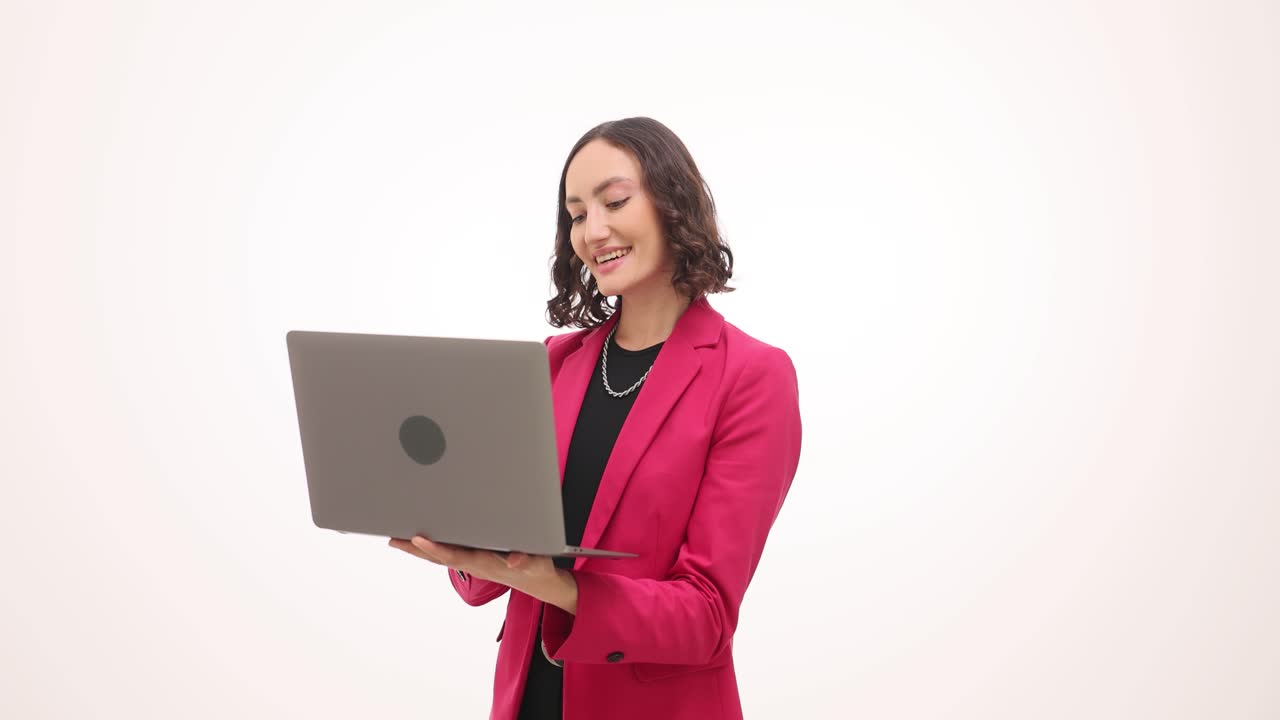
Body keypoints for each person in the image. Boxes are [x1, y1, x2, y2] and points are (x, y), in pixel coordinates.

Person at [389, 117, 802, 720]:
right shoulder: (553, 364)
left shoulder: (751, 376)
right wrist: (462, 542)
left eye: (614, 201)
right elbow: (490, 574)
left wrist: (555, 586)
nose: (594, 230)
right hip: (531, 698)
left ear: (672, 202)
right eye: (577, 214)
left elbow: (707, 614)